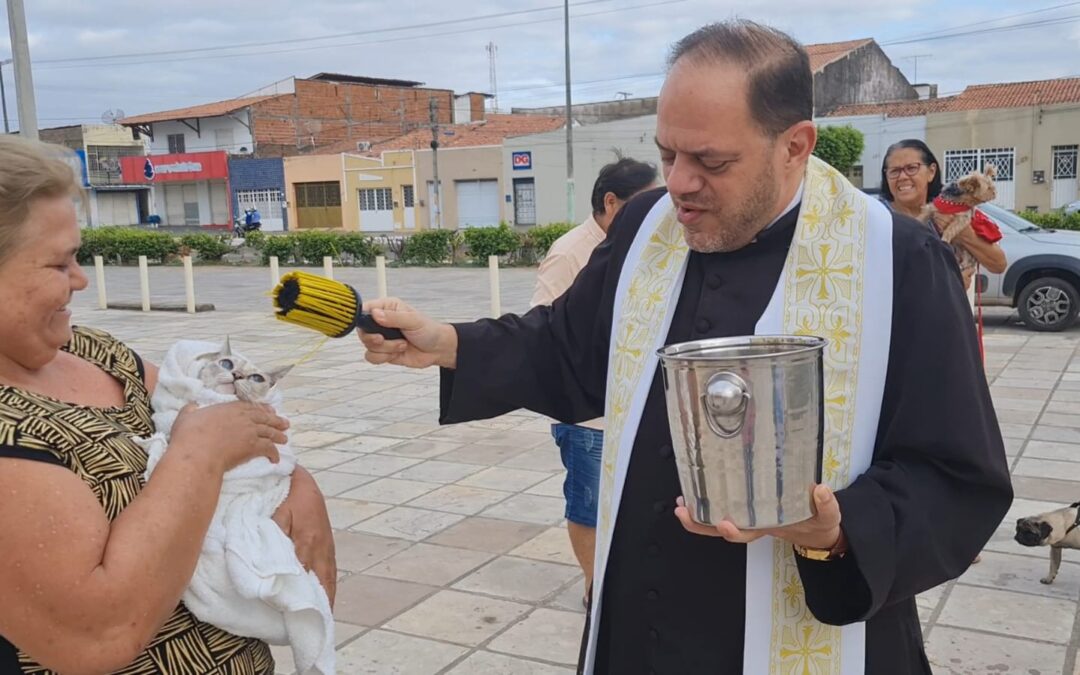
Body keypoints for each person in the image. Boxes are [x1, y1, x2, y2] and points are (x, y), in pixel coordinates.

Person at [359, 20, 1012, 675]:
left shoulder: (896, 261)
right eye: (668, 153)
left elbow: (958, 477)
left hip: (796, 632)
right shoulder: (648, 226)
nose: (680, 183)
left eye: (711, 161)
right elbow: (568, 349)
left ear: (796, 144)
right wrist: (447, 342)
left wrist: (838, 529)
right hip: (640, 625)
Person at [0, 135, 336, 674]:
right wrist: (197, 459)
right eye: (59, 265)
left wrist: (300, 486)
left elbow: (238, 425)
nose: (81, 280)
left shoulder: (91, 350)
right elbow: (97, 637)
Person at [531, 158, 658, 603]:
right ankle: (594, 585)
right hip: (587, 416)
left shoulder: (642, 246)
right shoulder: (570, 253)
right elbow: (544, 330)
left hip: (633, 405)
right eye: (646, 201)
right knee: (588, 505)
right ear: (611, 202)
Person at [880, 139, 1007, 295]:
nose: (903, 176)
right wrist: (950, 281)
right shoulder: (879, 217)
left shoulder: (949, 207)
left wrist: (962, 233)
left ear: (931, 171)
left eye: (912, 168)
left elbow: (998, 264)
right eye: (894, 171)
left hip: (946, 317)